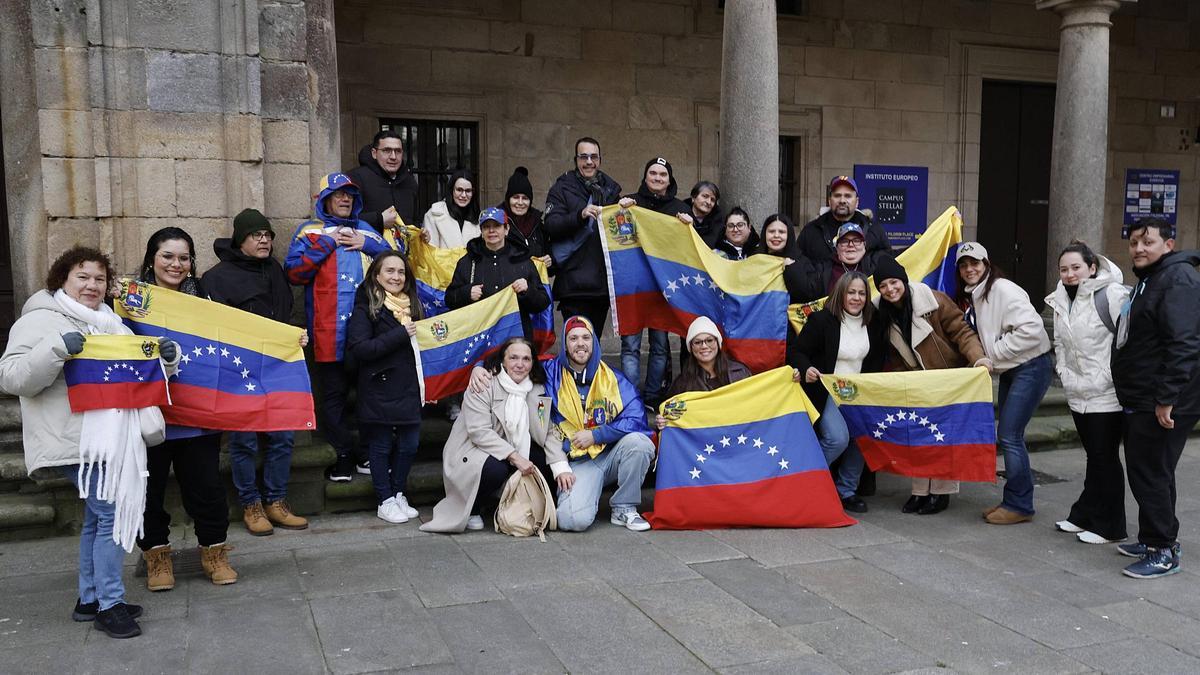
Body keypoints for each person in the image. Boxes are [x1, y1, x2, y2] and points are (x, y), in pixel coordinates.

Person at [0, 247, 180, 639]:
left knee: (99, 518)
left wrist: (167, 360)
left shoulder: (111, 322)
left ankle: (89, 598)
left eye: (99, 279)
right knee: (112, 516)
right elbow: (11, 378)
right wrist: (57, 348)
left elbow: (134, 372)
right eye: (82, 277)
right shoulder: (39, 321)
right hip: (75, 439)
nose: (92, 286)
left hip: (112, 438)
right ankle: (110, 605)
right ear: (62, 279)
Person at [135, 228, 236, 592]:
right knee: (147, 494)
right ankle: (156, 556)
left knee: (207, 490)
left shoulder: (205, 302)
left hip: (196, 418)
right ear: (151, 259)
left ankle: (214, 553)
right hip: (149, 418)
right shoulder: (128, 302)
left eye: (183, 257)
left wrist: (287, 340)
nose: (176, 264)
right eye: (167, 256)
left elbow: (239, 338)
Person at [206, 208, 311, 536]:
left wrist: (295, 334)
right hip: (240, 369)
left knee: (283, 435)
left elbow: (286, 312)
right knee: (245, 439)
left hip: (278, 364)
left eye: (267, 235)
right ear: (241, 240)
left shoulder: (274, 269)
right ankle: (251, 504)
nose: (264, 240)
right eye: (256, 235)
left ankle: (276, 501)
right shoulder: (216, 277)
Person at [285, 172, 393, 482]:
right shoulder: (309, 232)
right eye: (338, 194)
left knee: (369, 396)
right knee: (333, 397)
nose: (345, 199)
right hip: (326, 330)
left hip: (368, 332)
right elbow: (294, 273)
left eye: (349, 194)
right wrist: (326, 244)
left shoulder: (368, 231)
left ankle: (368, 453)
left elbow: (397, 264)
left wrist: (368, 246)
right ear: (325, 200)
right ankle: (345, 453)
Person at [1111, 218, 1200, 579]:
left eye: (1148, 241)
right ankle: (1156, 537)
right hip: (1145, 395)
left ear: (1169, 244)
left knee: (1149, 473)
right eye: (1133, 243)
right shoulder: (1152, 279)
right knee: (1154, 471)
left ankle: (1162, 550)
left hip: (1161, 399)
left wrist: (1167, 398)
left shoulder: (1178, 280)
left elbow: (1184, 344)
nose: (1139, 248)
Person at [874, 255, 991, 515]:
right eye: (883, 286)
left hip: (946, 377)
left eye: (894, 282)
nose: (890, 289)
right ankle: (919, 492)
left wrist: (979, 358)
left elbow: (962, 332)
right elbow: (893, 355)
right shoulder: (882, 314)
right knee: (918, 437)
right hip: (915, 382)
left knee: (943, 438)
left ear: (903, 281)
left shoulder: (934, 301)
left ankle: (941, 492)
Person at [422, 338, 574, 533]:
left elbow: (548, 431)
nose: (520, 364)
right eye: (514, 358)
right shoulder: (484, 384)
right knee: (496, 468)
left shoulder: (538, 390)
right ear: (503, 360)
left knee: (543, 459)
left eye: (526, 359)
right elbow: (479, 432)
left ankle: (528, 504)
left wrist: (560, 466)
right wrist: (515, 457)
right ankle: (474, 507)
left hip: (512, 446)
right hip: (472, 449)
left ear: (532, 363)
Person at [955, 243, 1052, 525]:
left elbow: (1033, 331)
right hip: (1015, 368)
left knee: (1009, 435)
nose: (970, 269)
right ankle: (1015, 500)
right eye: (964, 265)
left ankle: (1019, 504)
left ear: (987, 264)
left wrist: (991, 355)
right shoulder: (977, 294)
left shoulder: (1003, 290)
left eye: (975, 263)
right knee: (1010, 435)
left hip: (1031, 366)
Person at [1045, 241, 1130, 546]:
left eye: (1076, 267)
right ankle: (1084, 514)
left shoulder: (1113, 295)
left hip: (1106, 394)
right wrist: (1065, 376)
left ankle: (1111, 526)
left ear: (1092, 267)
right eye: (1064, 269)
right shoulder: (1059, 299)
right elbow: (1060, 345)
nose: (1069, 274)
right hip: (1078, 392)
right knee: (1094, 457)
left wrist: (1108, 377)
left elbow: (1127, 342)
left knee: (1104, 458)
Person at [789, 272, 887, 513]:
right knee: (837, 438)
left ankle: (846, 490)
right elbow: (797, 352)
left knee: (863, 437)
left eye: (861, 293)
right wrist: (807, 367)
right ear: (841, 294)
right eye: (851, 292)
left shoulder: (874, 322)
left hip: (859, 393)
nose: (856, 298)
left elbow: (876, 360)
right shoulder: (822, 320)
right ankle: (803, 481)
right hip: (826, 391)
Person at [346, 250, 423, 524]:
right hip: (379, 387)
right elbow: (360, 348)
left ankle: (398, 491)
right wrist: (400, 334)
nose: (396, 277)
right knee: (379, 446)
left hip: (410, 388)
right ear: (377, 275)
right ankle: (384, 499)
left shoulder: (413, 305)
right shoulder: (365, 306)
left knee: (409, 445)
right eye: (389, 271)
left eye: (401, 271)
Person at [616, 157, 695, 409]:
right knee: (630, 346)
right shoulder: (629, 202)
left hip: (663, 289)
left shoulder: (680, 208)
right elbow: (613, 233)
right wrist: (618, 210)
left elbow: (690, 249)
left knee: (660, 347)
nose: (658, 178)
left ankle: (651, 397)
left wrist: (689, 227)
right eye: (653, 173)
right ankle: (631, 399)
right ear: (645, 176)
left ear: (669, 179)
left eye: (663, 174)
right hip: (633, 288)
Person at [542, 137, 622, 334]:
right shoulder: (561, 188)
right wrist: (580, 215)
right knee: (576, 345)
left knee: (593, 345)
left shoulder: (611, 190)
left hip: (601, 285)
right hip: (573, 284)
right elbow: (551, 224)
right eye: (583, 157)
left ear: (600, 160)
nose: (589, 162)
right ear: (576, 160)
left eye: (593, 157)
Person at [445, 207, 550, 342]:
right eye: (486, 227)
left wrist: (527, 290)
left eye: (497, 226)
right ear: (481, 232)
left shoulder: (523, 260)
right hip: (479, 340)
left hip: (516, 339)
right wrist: (466, 293)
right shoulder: (468, 261)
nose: (491, 231)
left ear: (506, 229)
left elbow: (543, 302)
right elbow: (449, 299)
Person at [655, 317, 751, 418]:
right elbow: (670, 416)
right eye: (697, 342)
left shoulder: (740, 373)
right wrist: (662, 421)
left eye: (709, 340)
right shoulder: (682, 384)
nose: (704, 346)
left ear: (718, 343)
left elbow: (754, 405)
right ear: (690, 347)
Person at [799, 175, 892, 264]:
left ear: (857, 202)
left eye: (848, 196)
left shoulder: (874, 229)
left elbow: (888, 261)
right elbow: (799, 263)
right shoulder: (811, 230)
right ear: (829, 201)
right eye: (837, 195)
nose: (842, 200)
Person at [346, 128, 418, 232]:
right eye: (387, 151)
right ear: (374, 153)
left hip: (405, 247)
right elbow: (342, 219)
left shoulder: (409, 181)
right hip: (366, 246)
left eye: (398, 151)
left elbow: (415, 220)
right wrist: (379, 219)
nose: (393, 157)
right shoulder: (355, 178)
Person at [754, 213, 820, 303]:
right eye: (771, 231)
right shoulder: (754, 260)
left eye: (781, 232)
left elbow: (807, 295)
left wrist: (792, 269)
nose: (776, 235)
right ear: (764, 233)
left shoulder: (801, 261)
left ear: (789, 235)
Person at [813, 223, 881, 296]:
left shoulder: (877, 265)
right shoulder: (822, 270)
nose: (851, 245)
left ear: (864, 245)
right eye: (844, 241)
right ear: (837, 247)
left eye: (856, 241)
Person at [500, 166, 550, 263]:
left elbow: (546, 253)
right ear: (508, 199)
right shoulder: (497, 222)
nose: (520, 202)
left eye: (525, 198)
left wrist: (549, 261)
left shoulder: (537, 224)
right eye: (515, 197)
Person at [423, 168, 481, 249]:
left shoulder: (479, 217)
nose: (463, 195)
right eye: (459, 190)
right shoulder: (434, 215)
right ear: (452, 190)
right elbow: (431, 253)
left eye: (468, 191)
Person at [684, 181, 724, 248]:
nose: (709, 202)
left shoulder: (717, 219)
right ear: (693, 197)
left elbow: (708, 244)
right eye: (705, 196)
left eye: (712, 200)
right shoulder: (681, 211)